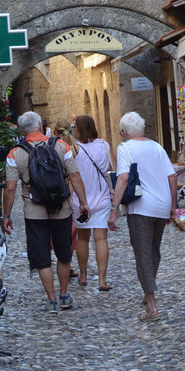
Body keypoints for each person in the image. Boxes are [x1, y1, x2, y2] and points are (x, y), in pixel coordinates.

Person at [3, 111, 90, 314]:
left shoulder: (14, 154)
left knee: (42, 257)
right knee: (63, 253)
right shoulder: (62, 146)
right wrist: (83, 203)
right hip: (61, 208)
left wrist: (6, 215)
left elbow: (10, 188)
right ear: (41, 125)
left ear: (23, 131)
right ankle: (64, 294)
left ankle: (51, 300)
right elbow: (75, 176)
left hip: (34, 212)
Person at [108, 112, 177, 321]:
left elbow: (123, 179)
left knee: (143, 254)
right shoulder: (156, 147)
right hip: (162, 205)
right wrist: (173, 205)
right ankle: (149, 294)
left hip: (141, 207)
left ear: (123, 132)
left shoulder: (125, 148)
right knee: (153, 251)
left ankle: (152, 306)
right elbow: (172, 176)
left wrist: (114, 209)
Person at [72, 115, 117, 290]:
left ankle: (83, 276)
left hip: (81, 200)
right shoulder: (104, 146)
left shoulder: (74, 149)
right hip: (102, 198)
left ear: (79, 129)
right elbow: (114, 169)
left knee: (82, 239)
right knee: (101, 239)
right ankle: (102, 280)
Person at [52, 119, 80, 279]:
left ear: (55, 132)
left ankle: (64, 264)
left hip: (59, 195)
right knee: (70, 234)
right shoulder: (74, 149)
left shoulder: (54, 148)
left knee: (59, 234)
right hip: (74, 193)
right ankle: (67, 265)